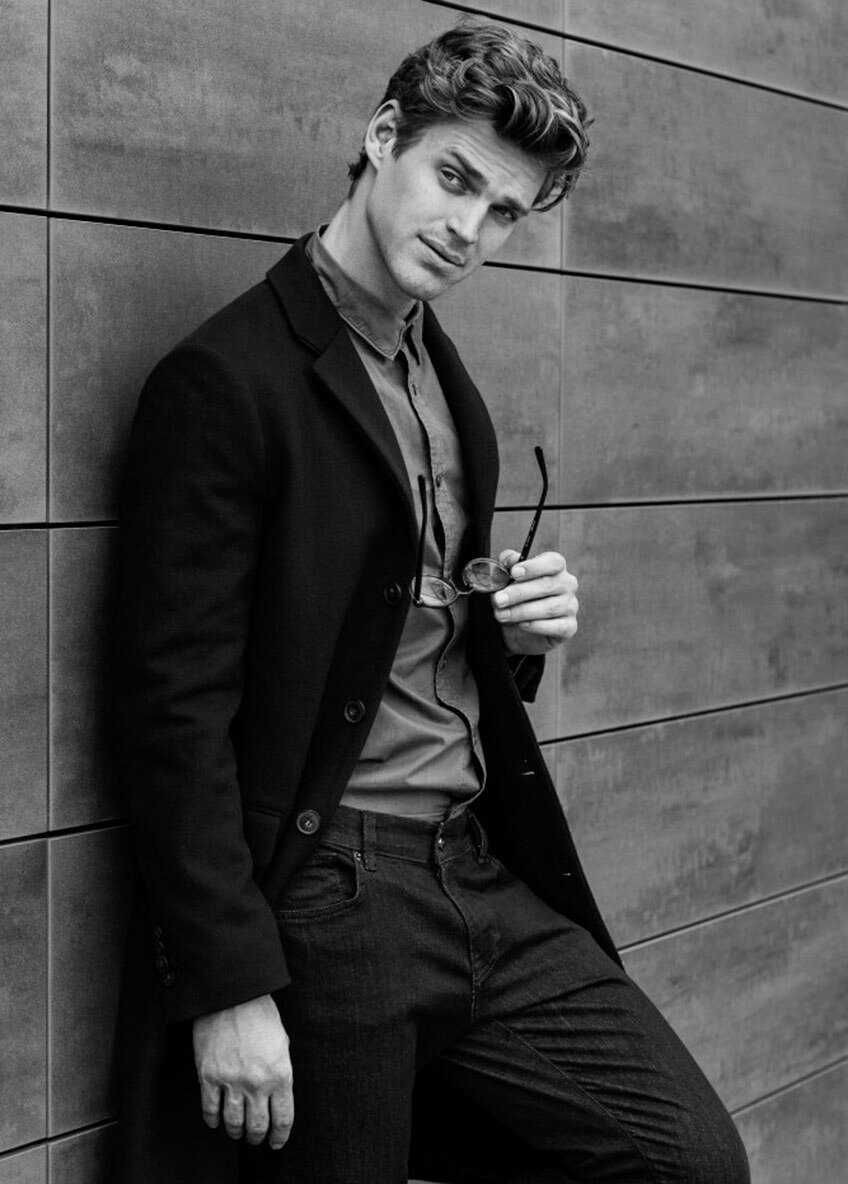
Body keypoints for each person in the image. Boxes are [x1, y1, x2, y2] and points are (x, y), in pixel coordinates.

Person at [114, 20, 750, 1184]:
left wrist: (512, 633)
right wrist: (227, 983)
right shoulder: (227, 381)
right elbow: (170, 711)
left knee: (688, 1160)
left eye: (502, 211)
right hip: (331, 890)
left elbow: (393, 630)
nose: (468, 228)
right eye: (453, 178)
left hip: (475, 869)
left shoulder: (436, 373)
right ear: (380, 138)